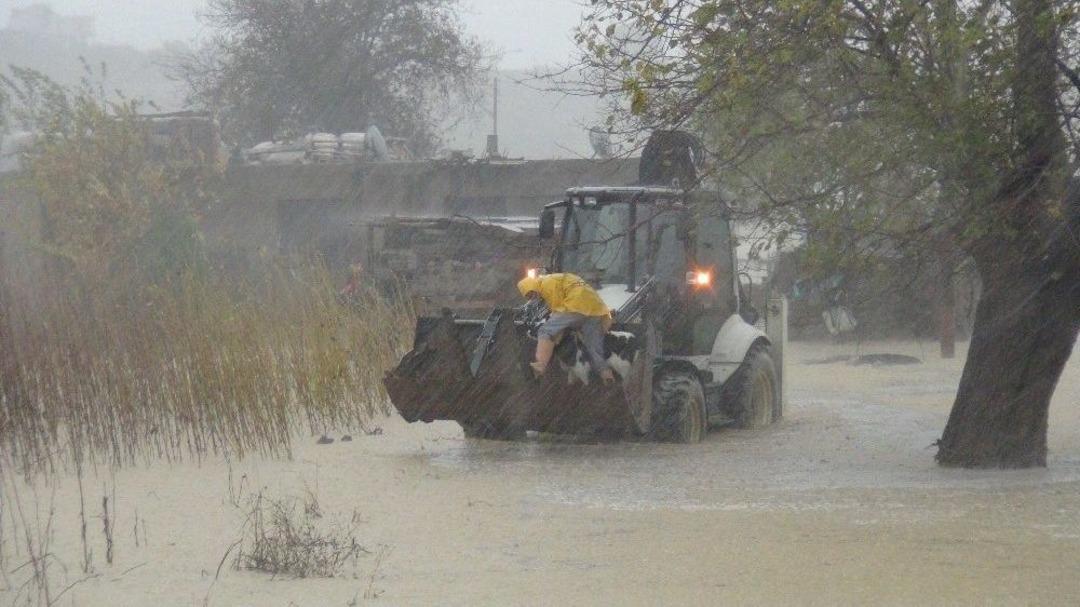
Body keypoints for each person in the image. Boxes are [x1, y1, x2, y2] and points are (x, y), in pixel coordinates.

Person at [517, 273, 615, 384]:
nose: (533, 297)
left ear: (533, 286)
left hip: (576, 304)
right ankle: (606, 375)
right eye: (529, 297)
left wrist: (555, 337)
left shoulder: (546, 285)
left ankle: (540, 365)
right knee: (592, 345)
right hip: (595, 307)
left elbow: (558, 310)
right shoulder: (555, 279)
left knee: (545, 330)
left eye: (531, 294)